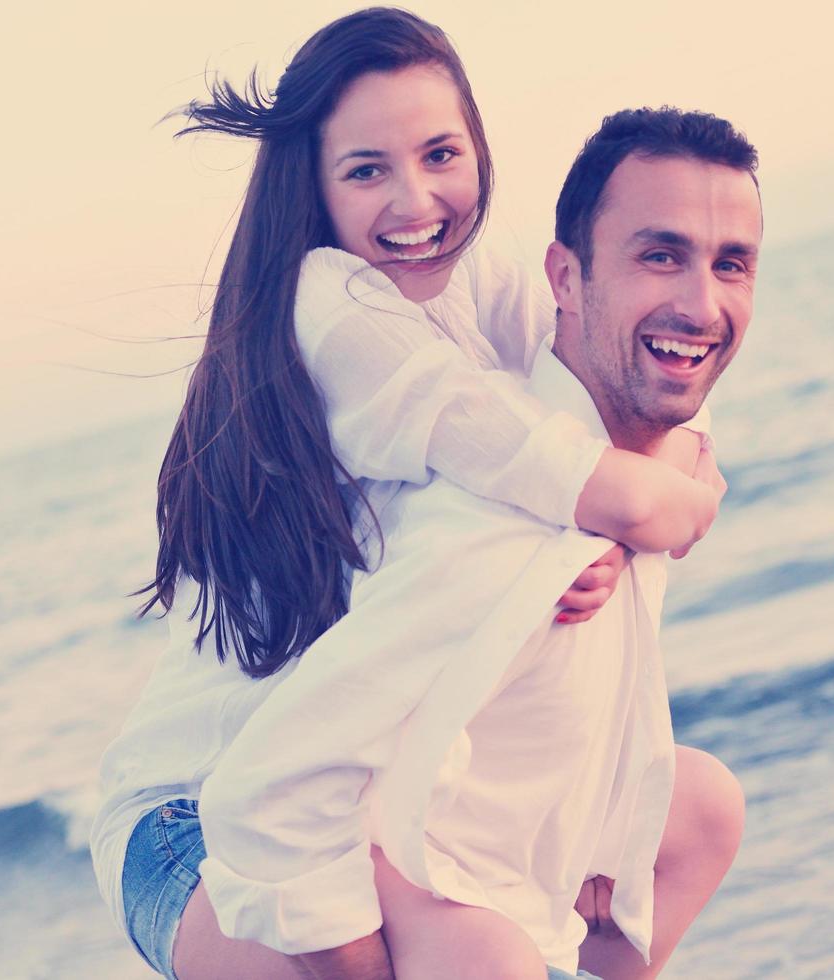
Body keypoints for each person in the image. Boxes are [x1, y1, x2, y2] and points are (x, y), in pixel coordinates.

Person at [90, 9, 732, 978]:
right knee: (441, 950)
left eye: (440, 153)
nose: (416, 199)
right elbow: (526, 451)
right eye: (365, 170)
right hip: (198, 820)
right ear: (312, 185)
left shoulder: (480, 273)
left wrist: (666, 481)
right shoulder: (329, 302)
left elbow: (607, 383)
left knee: (689, 808)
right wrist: (646, 509)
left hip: (376, 784)